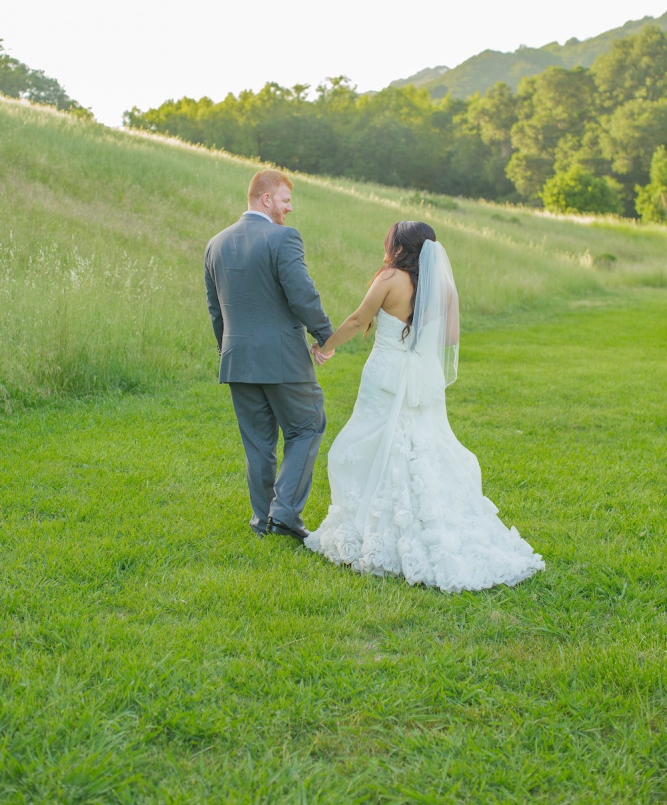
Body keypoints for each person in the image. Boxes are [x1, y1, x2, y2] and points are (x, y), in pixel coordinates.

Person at [306, 221, 545, 592]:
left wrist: (326, 347)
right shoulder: (441, 287)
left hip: (386, 373)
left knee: (362, 445)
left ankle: (371, 530)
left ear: (398, 245)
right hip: (423, 374)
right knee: (421, 443)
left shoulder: (389, 277)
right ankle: (425, 526)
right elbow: (448, 336)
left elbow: (358, 319)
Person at [205, 169, 334, 540]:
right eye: (285, 200)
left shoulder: (215, 244)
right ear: (266, 199)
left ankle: (263, 522)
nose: (289, 209)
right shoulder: (283, 238)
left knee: (258, 443)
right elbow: (302, 294)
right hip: (282, 358)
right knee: (307, 426)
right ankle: (284, 514)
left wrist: (230, 350)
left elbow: (216, 311)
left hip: (237, 357)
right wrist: (325, 336)